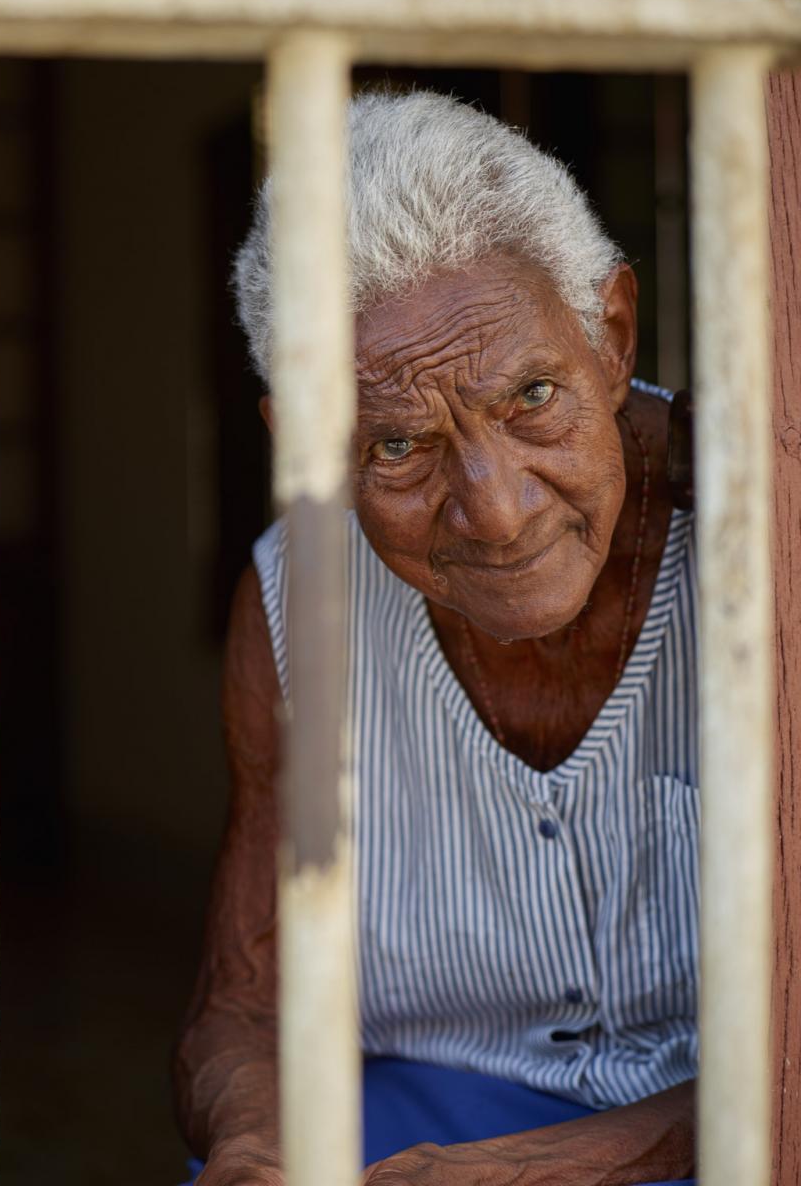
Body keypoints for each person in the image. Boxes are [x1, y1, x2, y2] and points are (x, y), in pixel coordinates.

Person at [173, 91, 697, 1186]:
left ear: (611, 334)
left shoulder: (762, 535)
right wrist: (255, 1151)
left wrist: (560, 1165)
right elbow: (245, 1005)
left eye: (533, 396)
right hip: (412, 1127)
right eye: (399, 444)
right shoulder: (294, 605)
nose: (495, 510)